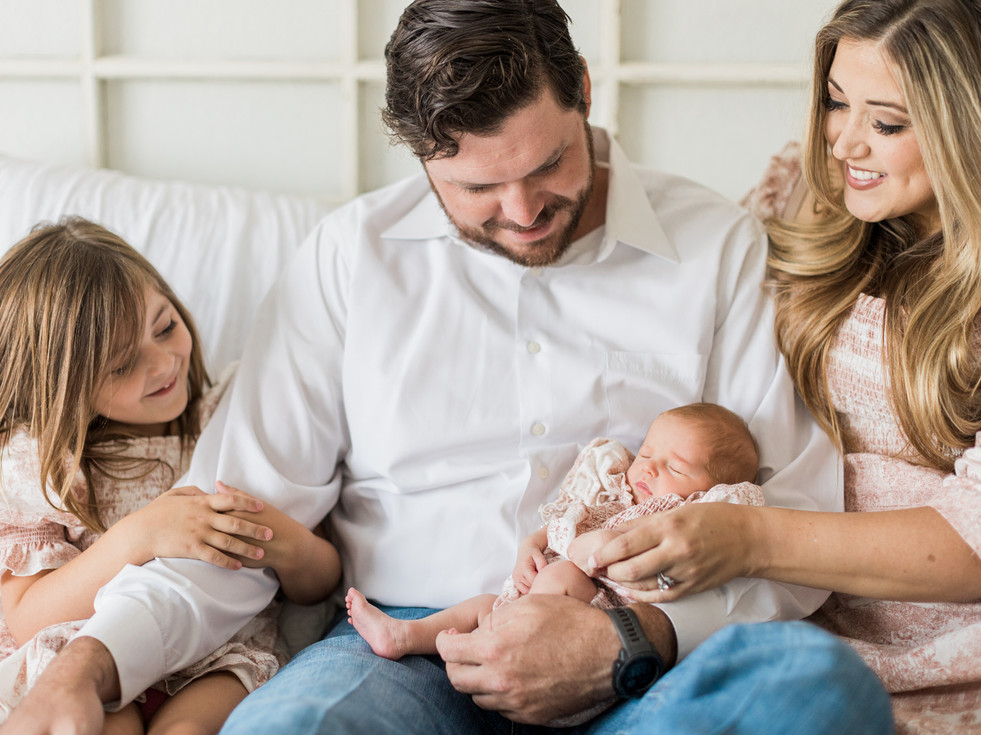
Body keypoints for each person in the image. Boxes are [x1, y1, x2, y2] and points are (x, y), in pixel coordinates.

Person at [0, 2, 894, 734]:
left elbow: (795, 521)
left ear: (581, 90)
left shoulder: (715, 246)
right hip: (397, 659)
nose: (523, 212)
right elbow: (226, 527)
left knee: (811, 687)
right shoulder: (348, 256)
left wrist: (630, 635)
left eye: (548, 166)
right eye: (475, 190)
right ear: (419, 153)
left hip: (640, 655)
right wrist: (90, 660)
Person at [588, 0, 981, 732]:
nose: (842, 144)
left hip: (938, 660)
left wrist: (749, 538)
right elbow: (688, 376)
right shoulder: (797, 201)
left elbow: (974, 540)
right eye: (835, 103)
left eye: (885, 123)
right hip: (754, 627)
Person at [0, 218, 341, 734]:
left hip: (220, 654)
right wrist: (139, 536)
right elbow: (27, 617)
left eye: (165, 327)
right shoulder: (46, 463)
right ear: (63, 385)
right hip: (80, 649)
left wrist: (285, 542)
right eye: (121, 365)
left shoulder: (231, 418)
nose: (163, 364)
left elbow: (319, 584)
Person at [345, 402, 762, 670]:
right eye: (649, 454)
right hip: (541, 598)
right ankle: (404, 635)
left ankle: (502, 643)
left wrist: (585, 555)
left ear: (708, 490)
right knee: (483, 604)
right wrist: (532, 544)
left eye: (676, 468)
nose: (649, 469)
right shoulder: (614, 488)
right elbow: (569, 517)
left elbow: (642, 559)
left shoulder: (685, 518)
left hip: (603, 619)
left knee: (561, 579)